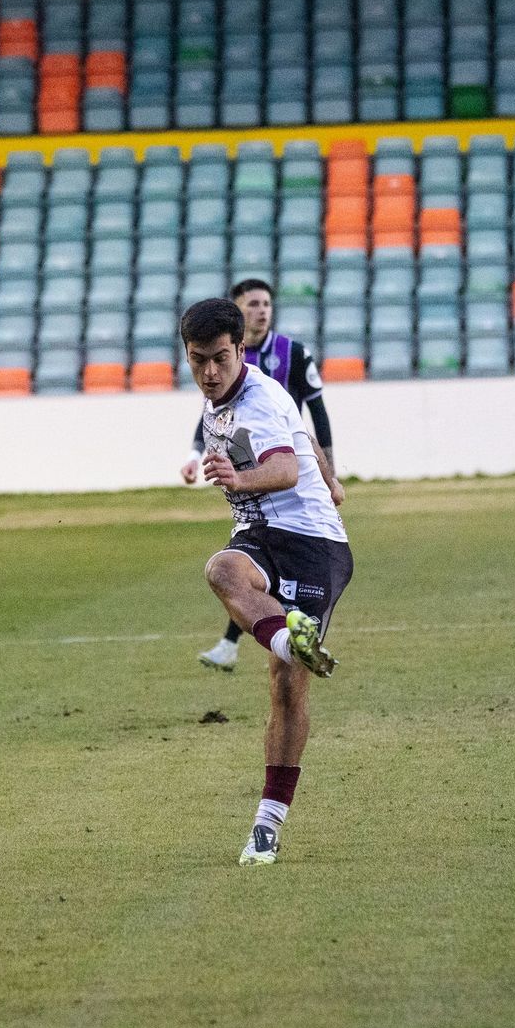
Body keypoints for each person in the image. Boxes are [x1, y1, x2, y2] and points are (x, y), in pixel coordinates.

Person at [181, 297, 354, 866]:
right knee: (221, 569)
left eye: (222, 359)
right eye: (199, 360)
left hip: (312, 545)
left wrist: (239, 475)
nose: (210, 372)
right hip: (263, 534)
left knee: (285, 688)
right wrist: (332, 478)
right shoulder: (219, 403)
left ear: (241, 351)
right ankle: (289, 636)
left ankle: (267, 822)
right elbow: (301, 441)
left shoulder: (257, 399)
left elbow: (285, 469)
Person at [183, 279, 342, 672]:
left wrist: (329, 476)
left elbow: (303, 435)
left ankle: (251, 645)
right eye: (252, 304)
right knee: (230, 572)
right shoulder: (222, 394)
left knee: (287, 682)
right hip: (265, 518)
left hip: (303, 526)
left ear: (238, 350)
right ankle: (277, 643)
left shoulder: (284, 365)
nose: (261, 311)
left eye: (265, 304)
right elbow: (292, 435)